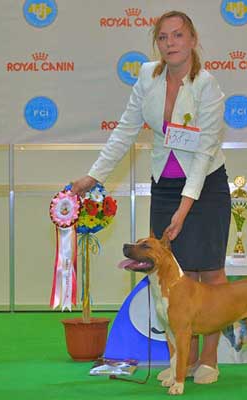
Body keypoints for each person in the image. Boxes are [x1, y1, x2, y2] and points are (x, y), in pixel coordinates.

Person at [71, 10, 230, 384]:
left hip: (205, 186)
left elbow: (204, 153)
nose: (170, 43)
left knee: (209, 272)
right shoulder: (147, 76)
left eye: (178, 35)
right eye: (163, 37)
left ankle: (209, 359)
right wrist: (94, 175)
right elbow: (125, 130)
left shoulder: (208, 86)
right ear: (156, 43)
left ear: (193, 40)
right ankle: (183, 361)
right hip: (165, 185)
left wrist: (185, 208)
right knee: (177, 272)